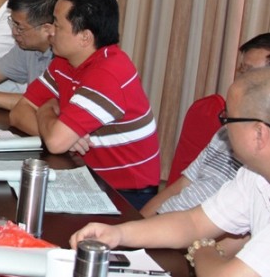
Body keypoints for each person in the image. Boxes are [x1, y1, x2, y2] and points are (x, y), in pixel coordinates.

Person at [70, 67, 270, 276]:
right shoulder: (253, 175)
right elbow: (193, 223)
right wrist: (118, 233)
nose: (224, 128)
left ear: (259, 134)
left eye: (228, 119)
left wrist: (201, 248)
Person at [9, 0, 160, 209]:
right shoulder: (64, 61)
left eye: (57, 25)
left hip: (125, 195)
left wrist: (45, 110)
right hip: (83, 174)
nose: (50, 32)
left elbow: (55, 141)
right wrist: (62, 134)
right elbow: (19, 113)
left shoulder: (110, 73)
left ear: (85, 37)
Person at [139, 33, 270, 217]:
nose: (240, 79)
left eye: (249, 72)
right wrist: (139, 221)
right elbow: (180, 186)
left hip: (186, 232)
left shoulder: (256, 173)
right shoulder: (224, 133)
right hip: (166, 223)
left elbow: (208, 226)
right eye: (241, 71)